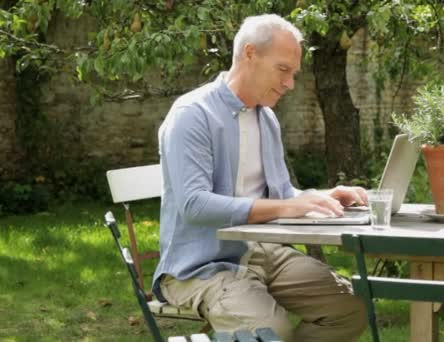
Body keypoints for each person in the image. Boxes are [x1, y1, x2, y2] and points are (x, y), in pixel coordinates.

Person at [152, 13, 368, 342]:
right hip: (200, 266)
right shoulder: (193, 115)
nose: (290, 84)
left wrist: (321, 196)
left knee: (350, 307)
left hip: (262, 253)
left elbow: (280, 195)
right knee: (272, 331)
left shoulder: (266, 118)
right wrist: (285, 208)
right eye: (283, 70)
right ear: (250, 54)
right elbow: (194, 205)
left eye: (293, 74)